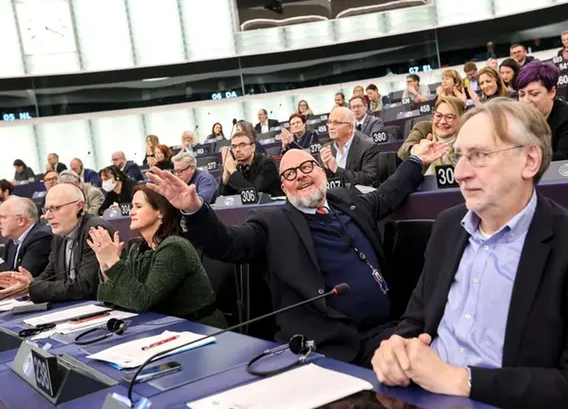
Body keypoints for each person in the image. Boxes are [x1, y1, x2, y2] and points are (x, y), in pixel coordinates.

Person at [369, 99, 568, 409]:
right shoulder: (447, 226)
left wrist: (459, 380)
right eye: (459, 156)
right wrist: (396, 350)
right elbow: (415, 321)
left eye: (479, 156)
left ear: (529, 161)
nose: (459, 173)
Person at [145, 135, 448, 363]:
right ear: (284, 187)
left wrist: (417, 161)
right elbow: (228, 244)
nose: (300, 175)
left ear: (322, 172)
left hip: (386, 331)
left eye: (306, 167)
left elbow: (387, 194)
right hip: (326, 347)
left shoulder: (349, 201)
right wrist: (195, 210)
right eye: (290, 174)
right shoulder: (270, 222)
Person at [90, 186, 226, 327]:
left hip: (197, 328)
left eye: (138, 206)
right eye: (132, 206)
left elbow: (143, 301)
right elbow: (108, 298)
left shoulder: (175, 247)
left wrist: (113, 262)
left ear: (161, 212)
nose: (131, 212)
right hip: (161, 326)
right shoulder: (137, 249)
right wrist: (105, 264)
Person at [0, 183, 115, 301]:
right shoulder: (59, 233)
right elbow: (50, 273)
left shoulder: (95, 230)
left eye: (55, 208)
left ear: (79, 207)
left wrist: (32, 287)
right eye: (46, 210)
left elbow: (86, 286)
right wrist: (28, 285)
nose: (48, 216)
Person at [517, 61, 568, 160]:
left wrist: (520, 161)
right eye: (522, 95)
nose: (526, 101)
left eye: (534, 94)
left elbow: (566, 158)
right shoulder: (517, 121)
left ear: (552, 92)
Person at [0, 198, 52, 290]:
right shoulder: (11, 243)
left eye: (3, 217)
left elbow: (20, 282)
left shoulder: (42, 239)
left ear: (21, 220)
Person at [397, 96, 466, 175]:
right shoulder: (423, 128)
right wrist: (417, 151)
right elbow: (403, 151)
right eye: (438, 116)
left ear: (460, 119)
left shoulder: (468, 134)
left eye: (449, 117)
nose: (442, 121)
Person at [320, 107, 379, 187]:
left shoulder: (367, 146)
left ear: (350, 127)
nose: (331, 127)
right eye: (329, 122)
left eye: (336, 123)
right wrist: (325, 168)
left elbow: (368, 178)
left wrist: (337, 169)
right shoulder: (326, 148)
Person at [219, 132, 283, 197]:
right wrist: (226, 173)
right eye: (234, 146)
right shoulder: (237, 166)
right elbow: (222, 197)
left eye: (242, 145)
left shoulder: (267, 164)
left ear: (253, 147)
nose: (237, 149)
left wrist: (232, 170)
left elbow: (253, 193)